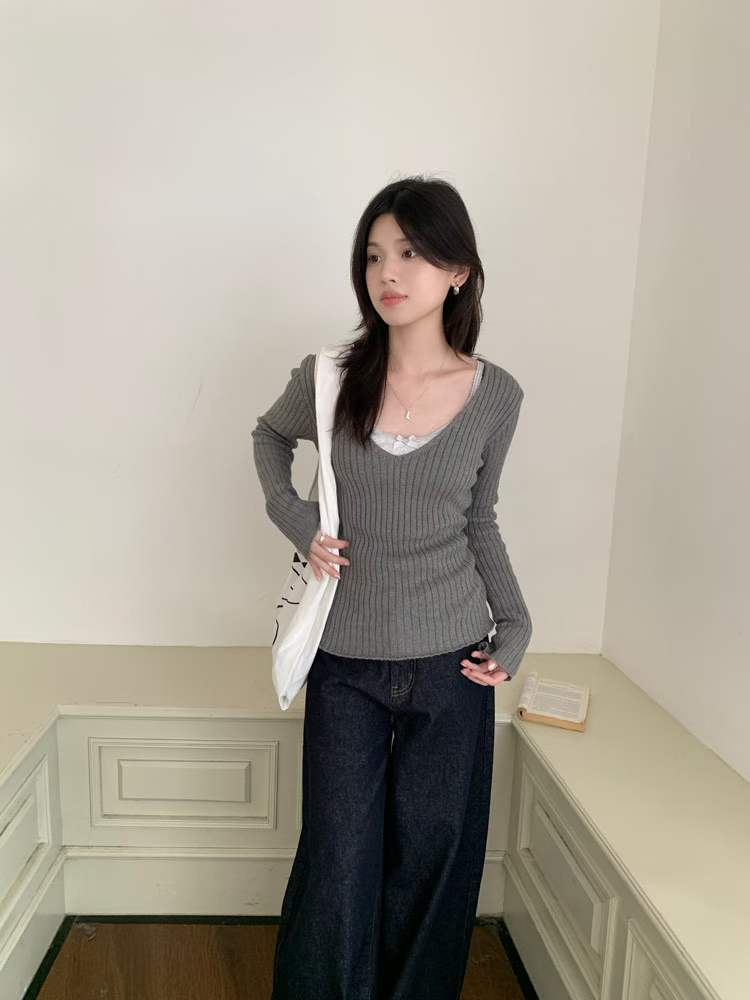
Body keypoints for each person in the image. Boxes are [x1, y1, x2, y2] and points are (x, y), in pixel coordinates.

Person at [251, 175, 532, 1000]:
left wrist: (515, 623)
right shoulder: (331, 377)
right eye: (374, 256)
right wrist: (297, 519)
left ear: (459, 271)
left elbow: (479, 518)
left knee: (433, 860)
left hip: (453, 665)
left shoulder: (496, 396)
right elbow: (269, 437)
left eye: (411, 252)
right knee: (338, 859)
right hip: (346, 662)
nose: (388, 272)